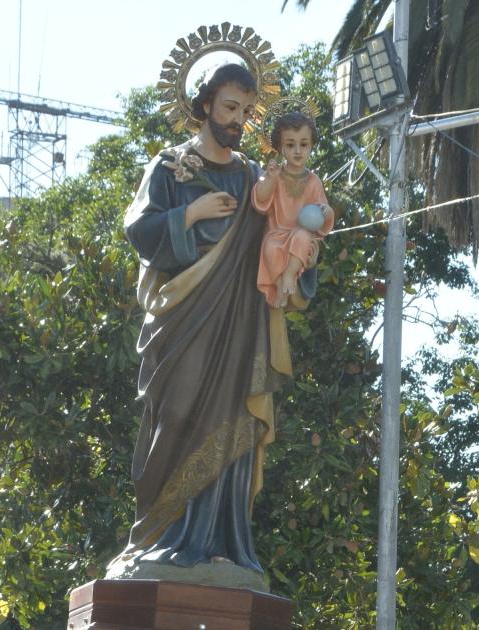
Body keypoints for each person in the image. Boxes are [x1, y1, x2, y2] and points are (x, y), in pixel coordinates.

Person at [114, 64, 319, 585]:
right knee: (176, 414)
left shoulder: (255, 177)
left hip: (239, 324)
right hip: (185, 317)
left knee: (233, 430)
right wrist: (189, 214)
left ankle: (220, 544)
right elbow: (139, 228)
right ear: (204, 104)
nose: (239, 120)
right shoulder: (170, 166)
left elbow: (284, 227)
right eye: (230, 108)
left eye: (248, 112)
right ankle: (156, 537)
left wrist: (302, 255)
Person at [254, 111, 335, 308]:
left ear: (311, 146)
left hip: (300, 235)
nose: (298, 151)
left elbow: (325, 214)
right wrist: (270, 179)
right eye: (290, 145)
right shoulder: (276, 174)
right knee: (269, 247)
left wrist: (326, 212)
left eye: (304, 144)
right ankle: (281, 285)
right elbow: (260, 199)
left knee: (303, 237)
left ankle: (289, 275)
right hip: (277, 233)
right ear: (280, 147)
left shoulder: (313, 181)